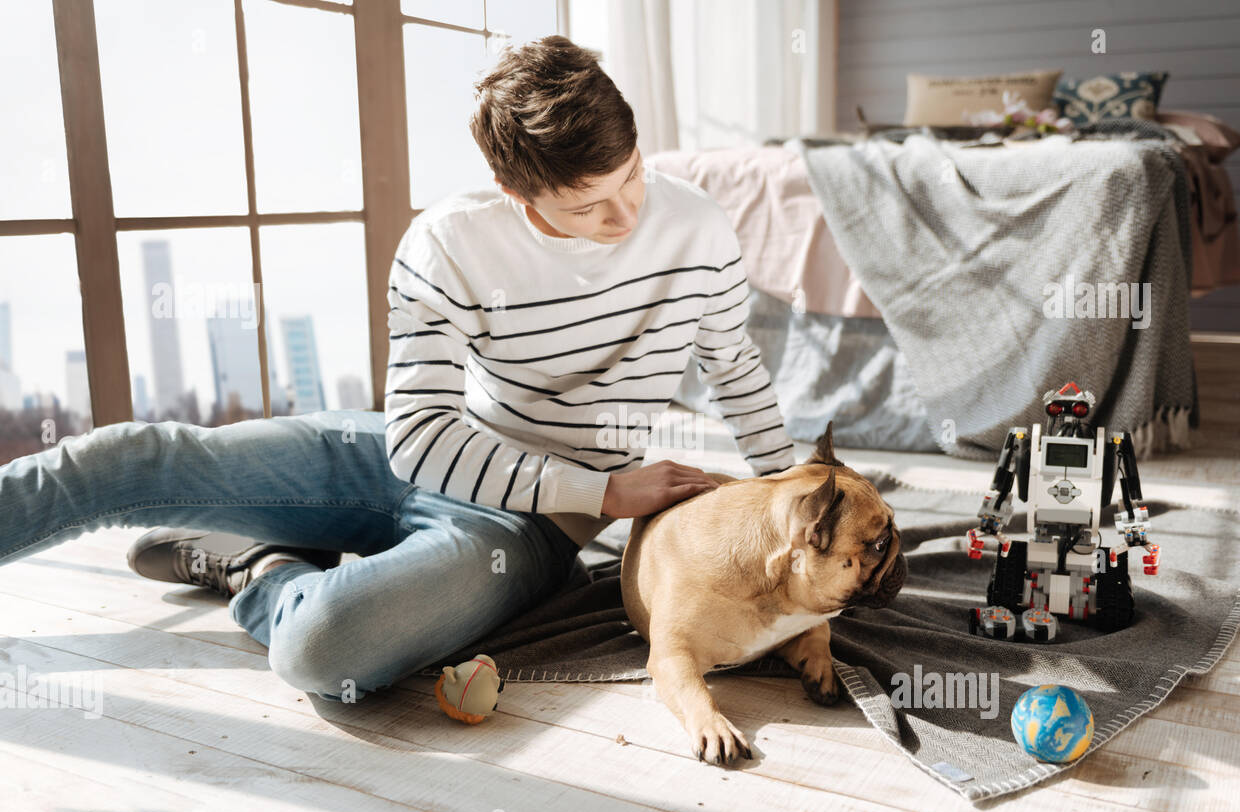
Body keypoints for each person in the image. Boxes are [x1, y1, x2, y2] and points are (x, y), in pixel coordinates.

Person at [0, 36, 796, 702]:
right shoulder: (448, 241)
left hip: (520, 523)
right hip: (397, 453)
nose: (627, 217)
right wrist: (611, 492)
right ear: (516, 192)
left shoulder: (697, 229)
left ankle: (260, 565)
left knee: (322, 647)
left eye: (631, 177)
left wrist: (798, 499)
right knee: (140, 457)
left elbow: (734, 367)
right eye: (589, 205)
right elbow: (417, 439)